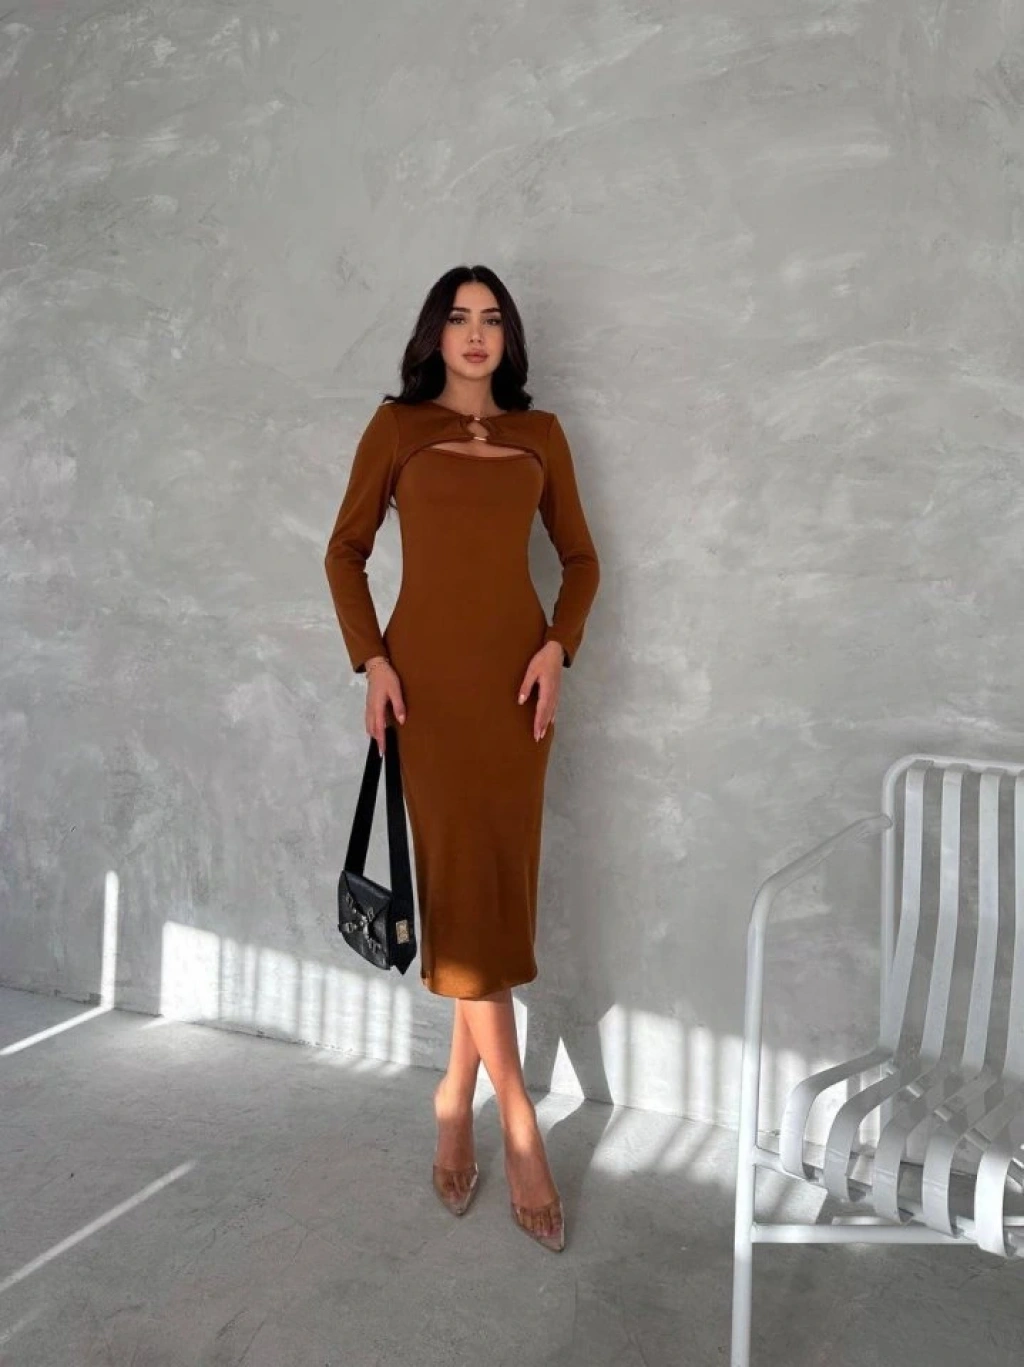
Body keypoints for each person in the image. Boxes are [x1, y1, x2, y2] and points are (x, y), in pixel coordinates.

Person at [324, 265, 601, 1252]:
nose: (475, 333)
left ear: (507, 338)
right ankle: (517, 1122)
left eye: (491, 319)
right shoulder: (396, 428)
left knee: (487, 890)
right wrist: (373, 661)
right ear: (434, 335)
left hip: (518, 696)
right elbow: (344, 551)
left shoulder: (541, 435)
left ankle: (453, 1092)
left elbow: (582, 559)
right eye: (458, 317)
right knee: (459, 889)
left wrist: (557, 648)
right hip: (428, 694)